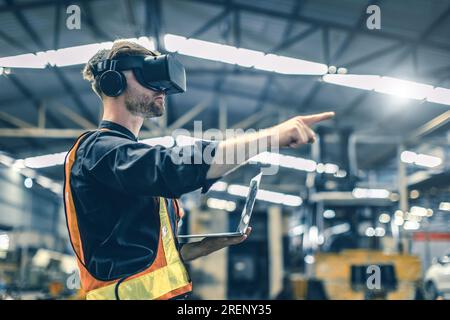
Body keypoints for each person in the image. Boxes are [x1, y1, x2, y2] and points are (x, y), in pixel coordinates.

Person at [63, 39, 334, 300]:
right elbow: (171, 168)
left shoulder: (131, 165)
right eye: (147, 76)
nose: (162, 89)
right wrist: (269, 137)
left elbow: (138, 256)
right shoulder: (97, 150)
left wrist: (201, 248)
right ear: (114, 81)